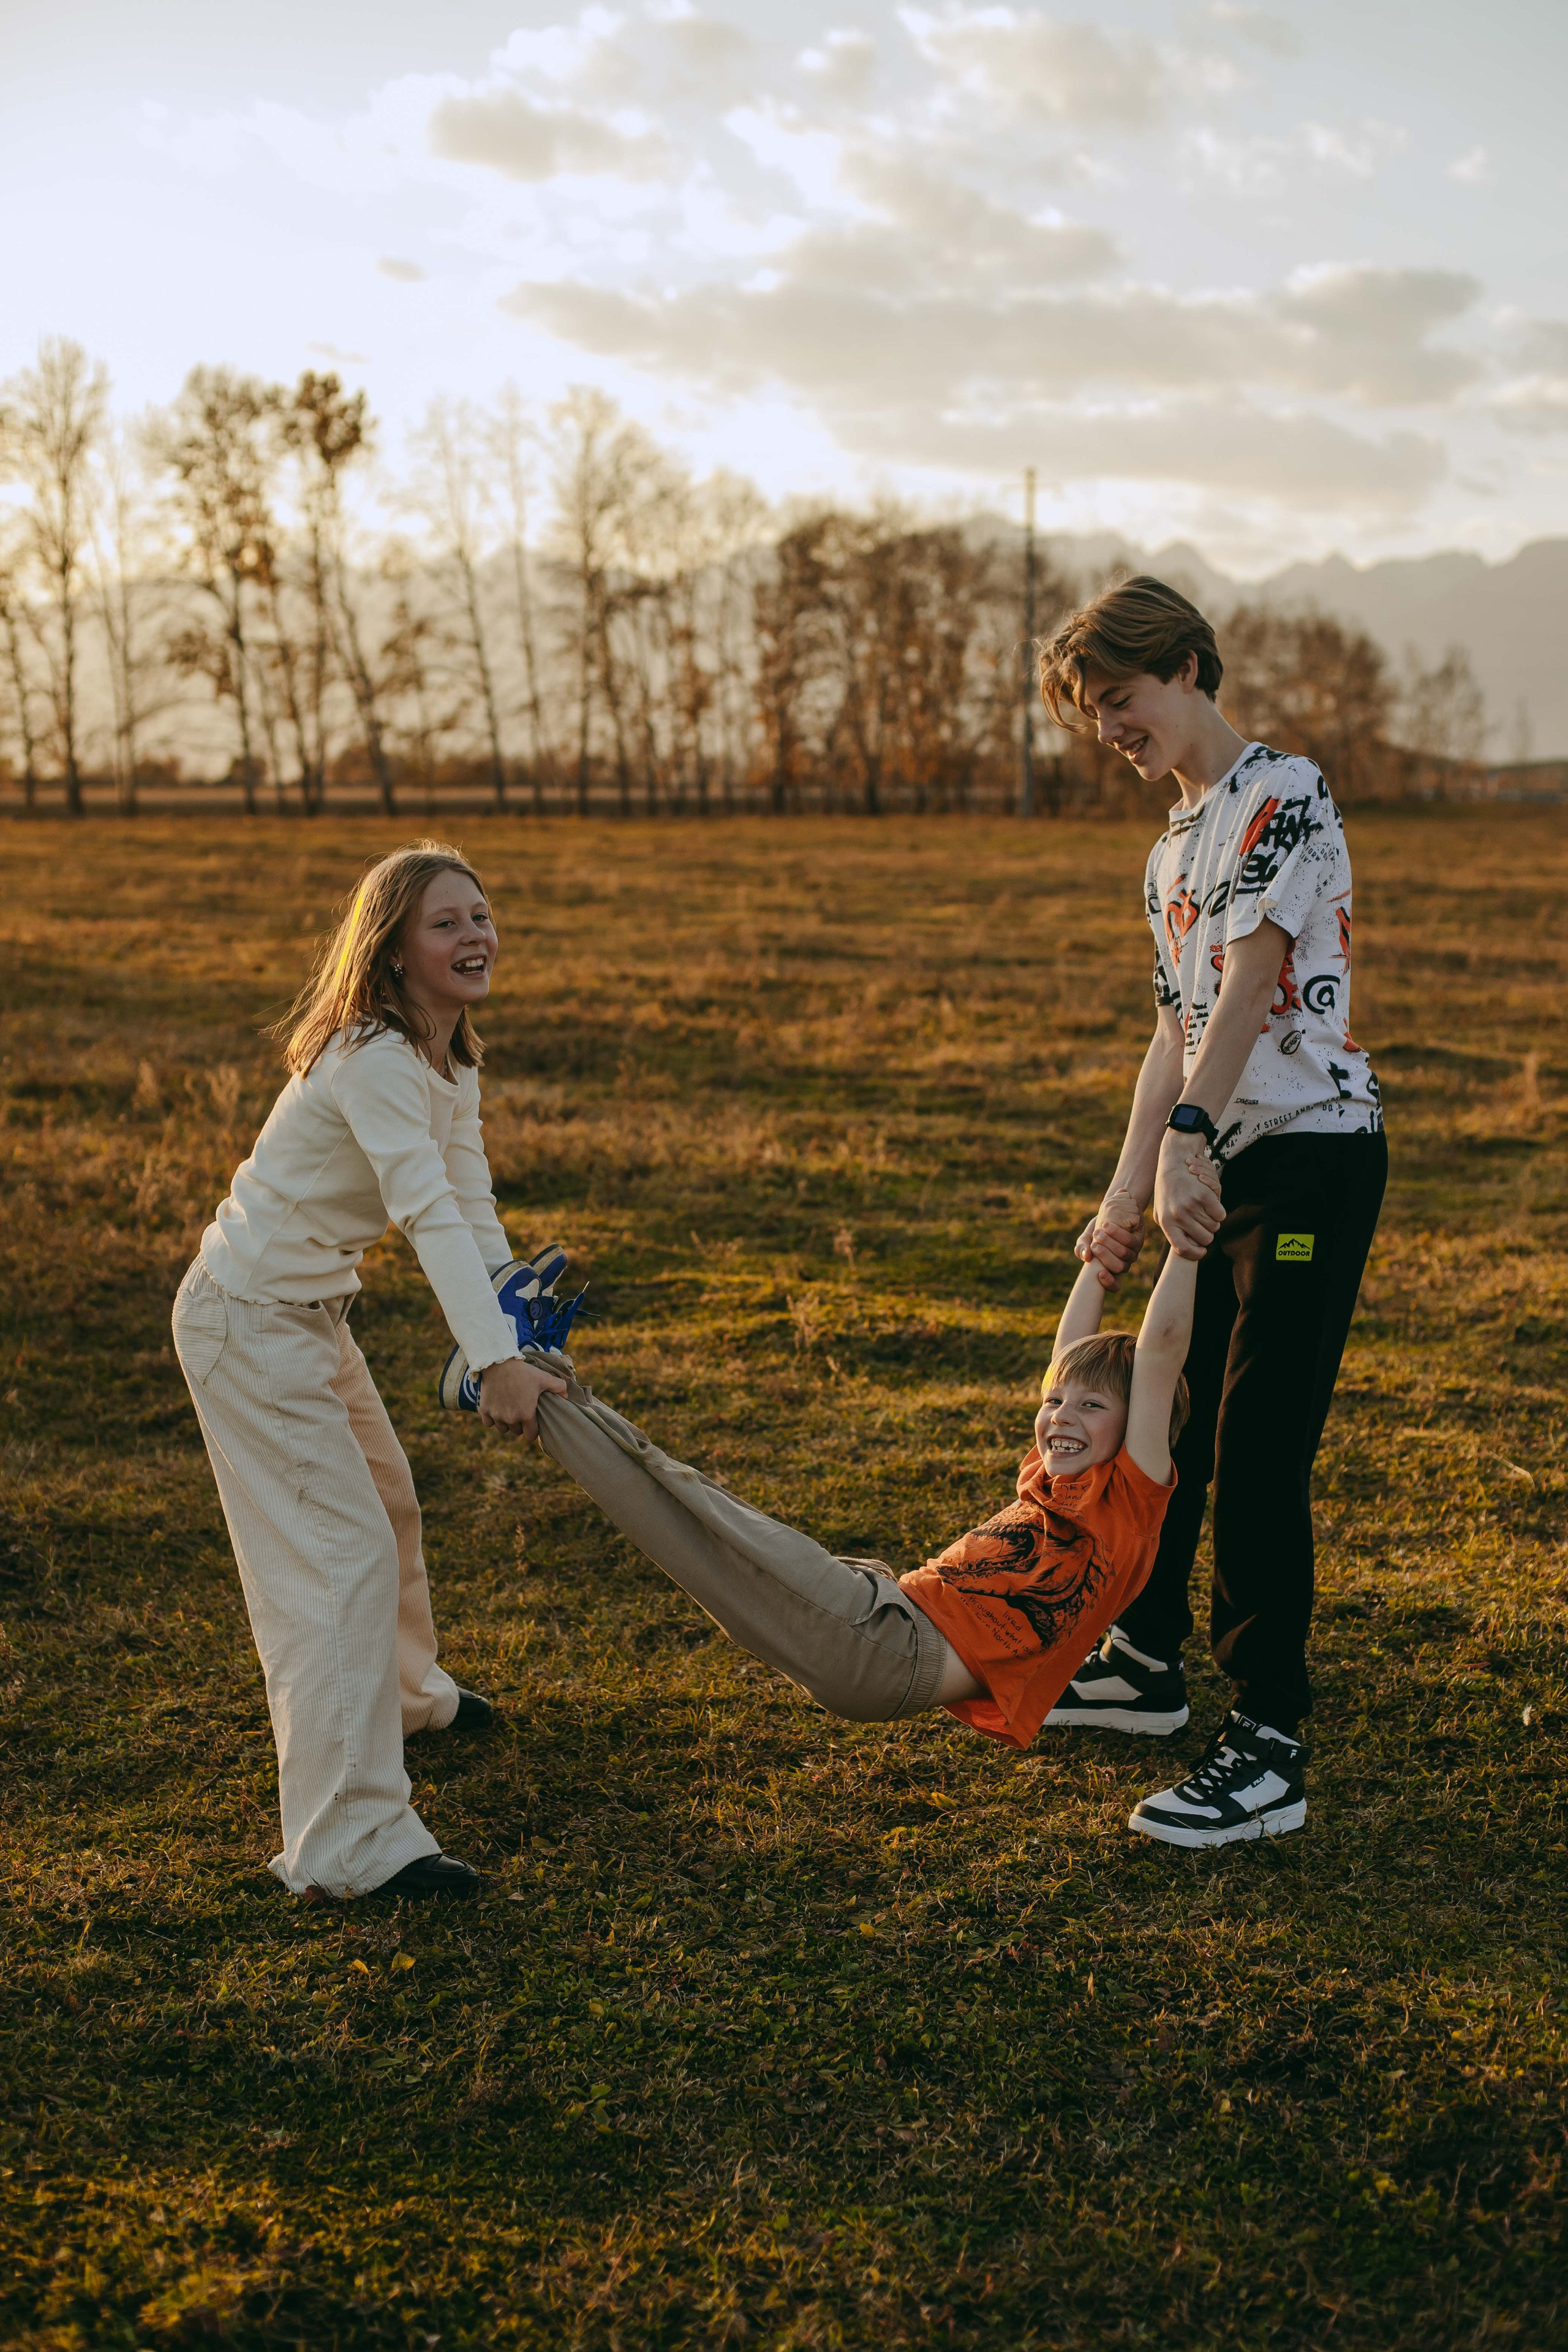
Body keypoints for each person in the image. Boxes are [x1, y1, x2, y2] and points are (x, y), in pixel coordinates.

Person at [1036, 576, 1387, 1849]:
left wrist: (1193, 1140)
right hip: (1211, 1165)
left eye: (1119, 703)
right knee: (1159, 1416)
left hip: (1305, 1158)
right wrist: (1123, 1191)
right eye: (1092, 718)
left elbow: (1248, 986)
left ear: (1184, 667)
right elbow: (1169, 1029)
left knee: (1252, 1443)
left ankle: (1268, 1744)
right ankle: (1143, 1660)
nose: (1108, 733)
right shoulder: (1165, 848)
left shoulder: (1281, 794)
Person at [171, 842, 566, 1903]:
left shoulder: (449, 1057)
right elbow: (423, 1211)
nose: (475, 935)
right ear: (391, 950)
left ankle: (402, 1698)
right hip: (245, 1322)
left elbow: (470, 1202)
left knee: (386, 1504)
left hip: (310, 1316)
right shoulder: (374, 1059)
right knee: (335, 1562)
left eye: (482, 916)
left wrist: (513, 1332)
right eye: (446, 923)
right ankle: (349, 1844)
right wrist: (491, 1364)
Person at [519, 1228, 1200, 1754]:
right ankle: (545, 1378)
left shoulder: (1126, 1506)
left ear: (1141, 1425)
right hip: (882, 1613)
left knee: (693, 1515)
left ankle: (532, 1390)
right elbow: (1065, 1355)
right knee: (694, 1514)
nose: (1061, 1417)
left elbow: (1163, 1348)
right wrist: (1097, 1265)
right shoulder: (1051, 1479)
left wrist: (1184, 1239)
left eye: (1091, 1408)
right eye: (1056, 1402)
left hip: (888, 1651)